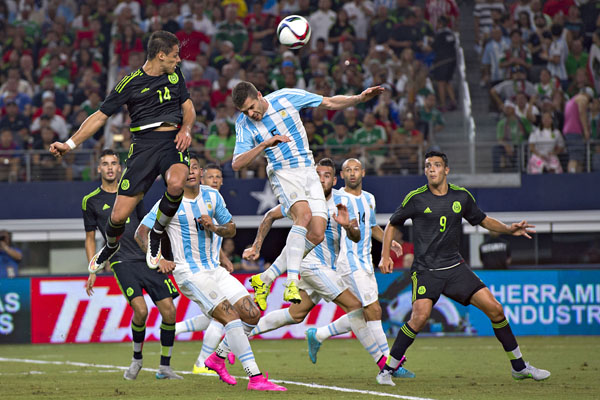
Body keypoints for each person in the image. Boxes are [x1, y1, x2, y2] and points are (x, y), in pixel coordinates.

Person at [376, 151, 550, 385]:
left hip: (455, 268)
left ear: (446, 170)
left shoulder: (462, 197)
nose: (431, 169)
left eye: (437, 165)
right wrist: (385, 255)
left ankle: (519, 367)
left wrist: (509, 229)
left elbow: (483, 220)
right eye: (428, 166)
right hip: (426, 270)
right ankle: (387, 370)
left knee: (496, 310)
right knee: (419, 317)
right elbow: (392, 224)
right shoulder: (416, 198)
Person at [49, 30, 195, 273]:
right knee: (116, 218)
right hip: (143, 147)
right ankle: (110, 245)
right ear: (160, 55)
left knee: (177, 183)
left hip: (172, 141)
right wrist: (69, 144)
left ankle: (155, 234)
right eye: (174, 56)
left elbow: (188, 107)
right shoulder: (130, 83)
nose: (178, 60)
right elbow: (99, 117)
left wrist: (187, 129)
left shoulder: (175, 73)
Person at [137, 154, 286, 391]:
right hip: (190, 274)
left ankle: (217, 358)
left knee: (252, 315)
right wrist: (158, 259)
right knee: (230, 318)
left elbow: (231, 229)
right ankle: (255, 378)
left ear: (200, 171)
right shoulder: (168, 203)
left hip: (214, 270)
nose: (192, 172)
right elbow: (141, 233)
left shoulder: (212, 196)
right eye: (186, 170)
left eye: (195, 167)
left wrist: (214, 227)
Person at [230, 81, 384, 305]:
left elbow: (329, 102)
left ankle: (265, 278)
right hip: (283, 172)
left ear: (260, 95)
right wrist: (264, 144)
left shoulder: (286, 97)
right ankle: (291, 281)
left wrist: (359, 98)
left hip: (308, 171)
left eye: (252, 107)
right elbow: (236, 164)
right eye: (245, 111)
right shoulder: (244, 124)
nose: (251, 114)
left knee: (317, 233)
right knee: (303, 216)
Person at [243, 158, 398, 374]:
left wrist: (349, 227)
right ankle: (384, 363)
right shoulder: (302, 202)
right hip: (310, 265)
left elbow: (356, 234)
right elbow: (270, 215)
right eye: (317, 175)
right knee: (356, 307)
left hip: (328, 268)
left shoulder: (342, 201)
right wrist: (256, 246)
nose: (321, 179)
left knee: (296, 314)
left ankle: (241, 336)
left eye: (326, 175)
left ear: (334, 180)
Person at [304, 158, 414, 379]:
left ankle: (319, 334)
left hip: (365, 263)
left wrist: (387, 242)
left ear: (363, 172)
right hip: (349, 263)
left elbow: (371, 226)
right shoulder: (336, 197)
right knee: (374, 311)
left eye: (356, 169)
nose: (352, 173)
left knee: (361, 313)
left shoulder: (369, 198)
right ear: (342, 175)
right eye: (347, 170)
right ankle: (390, 364)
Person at [82, 149, 180, 380]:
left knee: (169, 312)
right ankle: (137, 360)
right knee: (141, 310)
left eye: (113, 163)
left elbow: (144, 229)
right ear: (99, 169)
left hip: (145, 258)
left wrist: (157, 257)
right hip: (121, 261)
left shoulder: (133, 194)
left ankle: (165, 367)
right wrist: (93, 269)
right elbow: (89, 238)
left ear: (119, 168)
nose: (109, 167)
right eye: (105, 163)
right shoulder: (90, 201)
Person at [562, 87, 593, 173]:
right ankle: (572, 177)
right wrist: (586, 130)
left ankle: (578, 177)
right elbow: (582, 113)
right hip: (574, 131)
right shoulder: (582, 98)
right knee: (574, 157)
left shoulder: (572, 100)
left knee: (579, 158)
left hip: (570, 131)